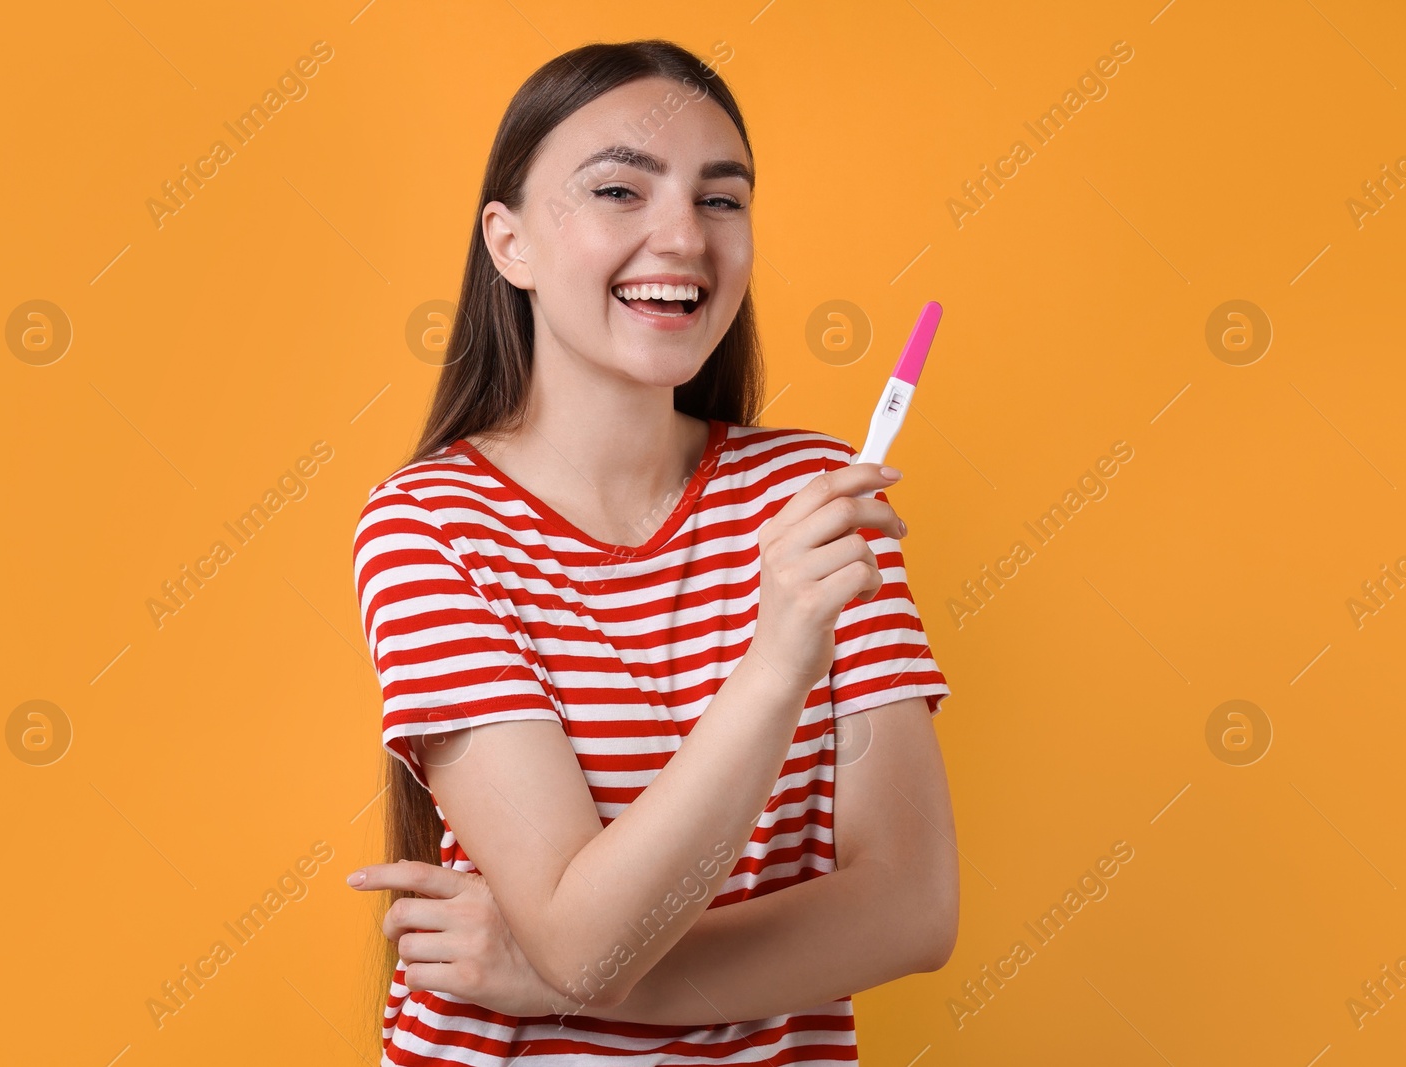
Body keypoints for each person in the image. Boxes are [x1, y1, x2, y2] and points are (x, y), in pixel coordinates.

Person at [348, 39, 958, 1065]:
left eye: (722, 200)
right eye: (619, 190)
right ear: (511, 243)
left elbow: (909, 906)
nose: (682, 235)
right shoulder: (431, 526)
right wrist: (778, 663)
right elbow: (584, 942)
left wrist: (541, 970)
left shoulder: (814, 496)